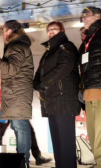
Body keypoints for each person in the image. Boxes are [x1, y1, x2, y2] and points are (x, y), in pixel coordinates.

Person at [0, 20, 33, 167]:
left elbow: (11, 69)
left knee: (21, 127)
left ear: (10, 31)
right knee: (18, 127)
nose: (3, 34)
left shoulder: (17, 46)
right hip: (16, 92)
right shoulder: (16, 45)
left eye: (3, 31)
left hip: (18, 92)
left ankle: (23, 163)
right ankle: (22, 161)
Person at [33, 21, 80, 168]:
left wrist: (43, 83)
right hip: (51, 101)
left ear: (62, 30)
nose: (51, 31)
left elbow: (64, 67)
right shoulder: (48, 52)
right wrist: (36, 84)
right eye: (49, 29)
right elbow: (39, 73)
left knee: (66, 144)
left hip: (64, 100)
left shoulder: (67, 46)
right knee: (57, 143)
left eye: (54, 29)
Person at [79, 6, 101, 167]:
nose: (83, 17)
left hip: (99, 90)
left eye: (87, 14)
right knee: (93, 135)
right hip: (89, 92)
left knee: (99, 135)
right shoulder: (88, 40)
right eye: (82, 15)